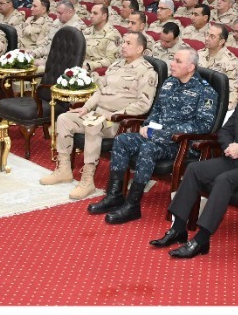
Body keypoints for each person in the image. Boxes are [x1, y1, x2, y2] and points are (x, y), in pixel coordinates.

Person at [153, 68, 238, 258]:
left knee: (224, 180)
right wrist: (229, 147)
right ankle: (178, 228)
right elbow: (225, 131)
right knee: (194, 169)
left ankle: (201, 239)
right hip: (233, 158)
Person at [88, 47, 218, 225]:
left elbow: (203, 125)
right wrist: (147, 125)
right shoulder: (169, 83)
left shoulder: (205, 91)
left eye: (178, 61)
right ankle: (114, 195)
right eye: (173, 59)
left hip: (180, 144)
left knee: (148, 148)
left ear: (191, 67)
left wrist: (164, 133)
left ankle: (133, 204)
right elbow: (156, 110)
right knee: (122, 140)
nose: (172, 64)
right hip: (155, 134)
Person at [46, 33, 159, 200]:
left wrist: (118, 114)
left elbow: (144, 104)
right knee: (64, 119)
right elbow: (99, 91)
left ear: (139, 49)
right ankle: (64, 169)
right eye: (123, 42)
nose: (123, 45)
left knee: (93, 125)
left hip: (118, 122)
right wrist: (86, 108)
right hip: (97, 114)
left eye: (128, 43)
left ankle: (88, 180)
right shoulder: (116, 65)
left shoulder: (147, 72)